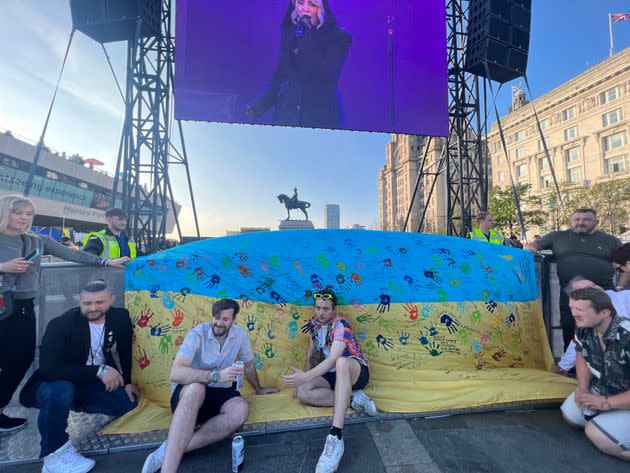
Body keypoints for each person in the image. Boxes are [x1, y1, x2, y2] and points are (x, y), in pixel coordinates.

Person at [0, 195, 129, 434]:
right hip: (2, 304)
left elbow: (71, 254)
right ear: (6, 212)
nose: (25, 218)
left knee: (19, 360)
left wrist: (105, 262)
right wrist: (2, 267)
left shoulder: (36, 239)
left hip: (22, 308)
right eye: (19, 213)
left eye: (29, 214)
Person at [142, 299, 278, 473]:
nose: (219, 323)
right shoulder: (197, 334)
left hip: (219, 392)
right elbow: (175, 373)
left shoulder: (240, 335)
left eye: (225, 319)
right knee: (196, 388)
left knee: (241, 409)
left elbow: (249, 364)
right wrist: (216, 375)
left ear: (234, 319)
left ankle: (170, 448)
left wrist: (259, 388)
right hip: (188, 396)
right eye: (216, 317)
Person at [19, 280, 139, 472]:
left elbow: (125, 349)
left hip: (88, 384)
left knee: (128, 404)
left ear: (112, 300)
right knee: (60, 391)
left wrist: (128, 382)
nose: (93, 308)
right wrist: (100, 370)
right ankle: (52, 456)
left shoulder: (120, 317)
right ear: (80, 302)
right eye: (87, 303)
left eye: (99, 302)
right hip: (57, 381)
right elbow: (49, 368)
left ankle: (70, 403)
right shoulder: (61, 324)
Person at [282, 289, 377, 473]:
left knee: (341, 361)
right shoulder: (314, 325)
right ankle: (352, 399)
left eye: (326, 309)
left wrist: (305, 376)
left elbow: (333, 359)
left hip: (355, 371)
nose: (321, 313)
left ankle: (335, 437)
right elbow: (311, 355)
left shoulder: (342, 325)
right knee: (302, 393)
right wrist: (303, 380)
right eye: (318, 308)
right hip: (333, 375)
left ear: (334, 310)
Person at [245, 0, 352, 129]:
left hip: (321, 120)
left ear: (322, 9)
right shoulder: (289, 34)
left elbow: (327, 75)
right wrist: (257, 108)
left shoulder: (339, 38)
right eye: (300, 3)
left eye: (312, 4)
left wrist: (307, 36)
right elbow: (279, 79)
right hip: (287, 118)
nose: (304, 9)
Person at [525, 208, 621, 349]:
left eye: (586, 219)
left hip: (603, 293)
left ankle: (606, 364)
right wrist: (531, 250)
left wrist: (620, 288)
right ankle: (570, 367)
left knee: (606, 329)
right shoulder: (558, 236)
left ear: (596, 222)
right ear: (571, 221)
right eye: (577, 219)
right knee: (569, 328)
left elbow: (626, 262)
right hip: (570, 294)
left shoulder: (610, 240)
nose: (580, 223)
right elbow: (532, 245)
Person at [560, 287, 630, 461]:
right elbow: (582, 355)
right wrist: (583, 388)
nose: (574, 315)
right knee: (571, 415)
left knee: (596, 433)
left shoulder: (627, 336)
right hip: (608, 390)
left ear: (604, 312)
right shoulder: (585, 328)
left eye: (580, 310)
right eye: (572, 308)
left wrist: (606, 403)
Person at [553, 276, 630, 376]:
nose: (596, 289)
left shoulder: (623, 297)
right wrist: (562, 367)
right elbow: (577, 343)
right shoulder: (587, 317)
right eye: (587, 290)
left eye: (594, 285)